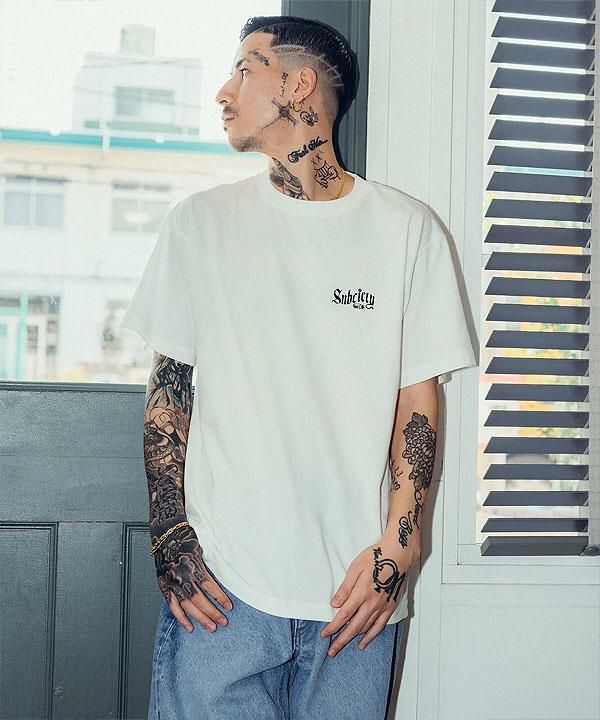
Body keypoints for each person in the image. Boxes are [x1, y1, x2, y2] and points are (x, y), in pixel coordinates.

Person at [119, 14, 477, 720]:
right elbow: (169, 392)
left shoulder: (408, 231)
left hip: (357, 596)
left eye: (245, 69)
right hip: (222, 589)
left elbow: (418, 403)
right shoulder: (201, 224)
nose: (224, 91)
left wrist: (400, 551)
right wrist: (168, 533)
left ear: (300, 84)